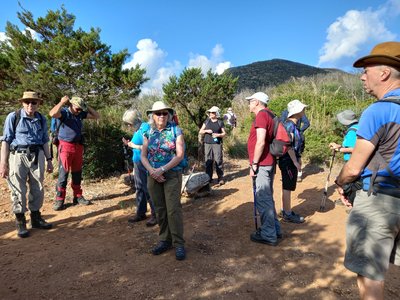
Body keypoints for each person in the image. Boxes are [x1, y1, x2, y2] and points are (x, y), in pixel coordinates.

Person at [335, 41, 400, 300]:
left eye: (366, 70)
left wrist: (340, 183)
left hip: (379, 201)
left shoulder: (378, 111)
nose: (362, 76)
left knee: (370, 274)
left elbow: (354, 167)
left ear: (384, 73)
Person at [0, 91, 53, 238]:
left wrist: (49, 160)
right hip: (18, 156)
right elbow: (6, 141)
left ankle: (35, 218)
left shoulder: (41, 118)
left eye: (34, 102)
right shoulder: (14, 117)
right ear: (22, 103)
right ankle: (20, 221)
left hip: (37, 155)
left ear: (38, 104)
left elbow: (44, 141)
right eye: (27, 102)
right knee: (18, 189)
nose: (30, 105)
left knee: (38, 187)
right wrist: (3, 164)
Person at [141, 101, 186, 261]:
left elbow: (179, 155)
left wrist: (162, 170)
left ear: (169, 115)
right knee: (159, 209)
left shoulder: (176, 130)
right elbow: (143, 155)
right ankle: (164, 240)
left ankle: (179, 243)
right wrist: (152, 171)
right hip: (153, 175)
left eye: (164, 113)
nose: (161, 116)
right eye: (158, 113)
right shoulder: (148, 133)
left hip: (171, 174)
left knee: (173, 209)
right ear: (152, 116)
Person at [49, 95, 100, 211]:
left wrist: (86, 106)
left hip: (78, 146)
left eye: (81, 109)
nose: (79, 111)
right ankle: (59, 199)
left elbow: (97, 116)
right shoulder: (64, 113)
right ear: (71, 105)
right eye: (78, 109)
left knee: (77, 173)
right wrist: (62, 102)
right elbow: (52, 113)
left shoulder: (80, 114)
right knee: (63, 174)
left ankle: (77, 196)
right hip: (65, 146)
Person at [246, 92, 281, 246]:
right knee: (267, 197)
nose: (249, 104)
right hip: (268, 162)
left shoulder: (261, 115)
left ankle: (268, 234)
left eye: (250, 101)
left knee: (263, 198)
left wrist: (254, 164)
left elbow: (260, 142)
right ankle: (275, 230)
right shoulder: (270, 114)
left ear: (257, 102)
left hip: (262, 163)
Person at [122, 109, 157, 227]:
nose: (128, 126)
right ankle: (141, 212)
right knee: (139, 188)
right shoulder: (138, 129)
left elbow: (150, 146)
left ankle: (155, 215)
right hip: (137, 163)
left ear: (134, 121)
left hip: (145, 163)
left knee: (148, 188)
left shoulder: (145, 128)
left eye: (129, 123)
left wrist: (133, 145)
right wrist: (129, 144)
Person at [278, 99, 307, 223]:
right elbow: (288, 145)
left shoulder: (292, 125)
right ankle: (287, 214)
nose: (304, 111)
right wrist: (295, 161)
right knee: (287, 186)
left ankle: (285, 210)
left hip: (290, 159)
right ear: (296, 112)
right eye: (302, 109)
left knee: (287, 185)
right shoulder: (289, 125)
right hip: (288, 160)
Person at [280, 106, 310, 181]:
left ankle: (287, 174)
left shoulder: (285, 112)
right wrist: (300, 131)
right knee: (298, 155)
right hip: (298, 136)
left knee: (287, 153)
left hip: (287, 134)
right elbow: (307, 123)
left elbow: (281, 124)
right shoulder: (299, 113)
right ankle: (299, 175)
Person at [199, 106, 226, 185]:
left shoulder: (220, 122)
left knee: (218, 160)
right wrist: (207, 130)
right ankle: (208, 178)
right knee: (208, 160)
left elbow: (224, 133)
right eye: (210, 112)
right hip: (207, 143)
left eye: (213, 112)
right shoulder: (207, 121)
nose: (211, 114)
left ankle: (220, 178)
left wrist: (218, 135)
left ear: (217, 113)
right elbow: (201, 131)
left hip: (217, 143)